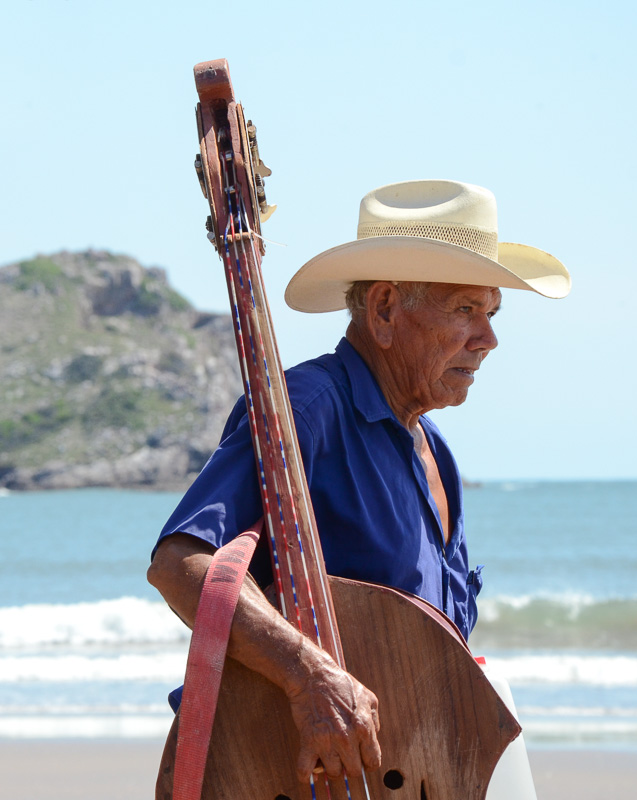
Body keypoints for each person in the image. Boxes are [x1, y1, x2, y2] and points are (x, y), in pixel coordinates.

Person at [147, 178, 570, 782]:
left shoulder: (435, 450)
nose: (489, 339)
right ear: (385, 309)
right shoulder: (305, 408)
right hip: (285, 776)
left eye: (492, 313)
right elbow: (181, 563)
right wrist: (308, 674)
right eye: (465, 310)